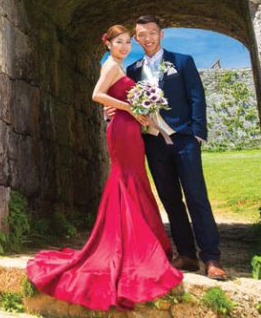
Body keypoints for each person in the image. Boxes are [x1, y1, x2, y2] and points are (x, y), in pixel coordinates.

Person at [25, 25, 182, 311]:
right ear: (107, 44)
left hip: (129, 129)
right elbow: (97, 95)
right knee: (128, 180)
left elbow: (117, 99)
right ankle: (132, 244)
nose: (124, 47)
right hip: (121, 130)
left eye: (126, 42)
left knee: (133, 180)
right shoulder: (110, 66)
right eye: (118, 42)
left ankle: (137, 239)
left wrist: (141, 114)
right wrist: (127, 108)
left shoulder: (119, 66)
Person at [107, 15, 227, 281]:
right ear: (137, 39)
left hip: (184, 138)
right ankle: (186, 254)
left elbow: (197, 97)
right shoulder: (134, 70)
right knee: (170, 199)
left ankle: (211, 257)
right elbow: (122, 101)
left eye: (152, 32)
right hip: (152, 141)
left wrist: (197, 134)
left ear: (161, 34)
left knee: (197, 196)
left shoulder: (182, 61)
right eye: (142, 35)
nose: (147, 38)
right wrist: (111, 110)